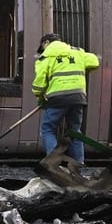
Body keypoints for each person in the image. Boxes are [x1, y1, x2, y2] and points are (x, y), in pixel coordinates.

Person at [32, 33, 100, 164]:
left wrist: (40, 98)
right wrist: (83, 68)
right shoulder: (77, 52)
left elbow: (39, 86)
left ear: (46, 43)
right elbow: (94, 62)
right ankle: (79, 163)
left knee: (48, 129)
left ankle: (53, 162)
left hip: (57, 99)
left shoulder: (45, 58)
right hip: (78, 98)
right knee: (75, 130)